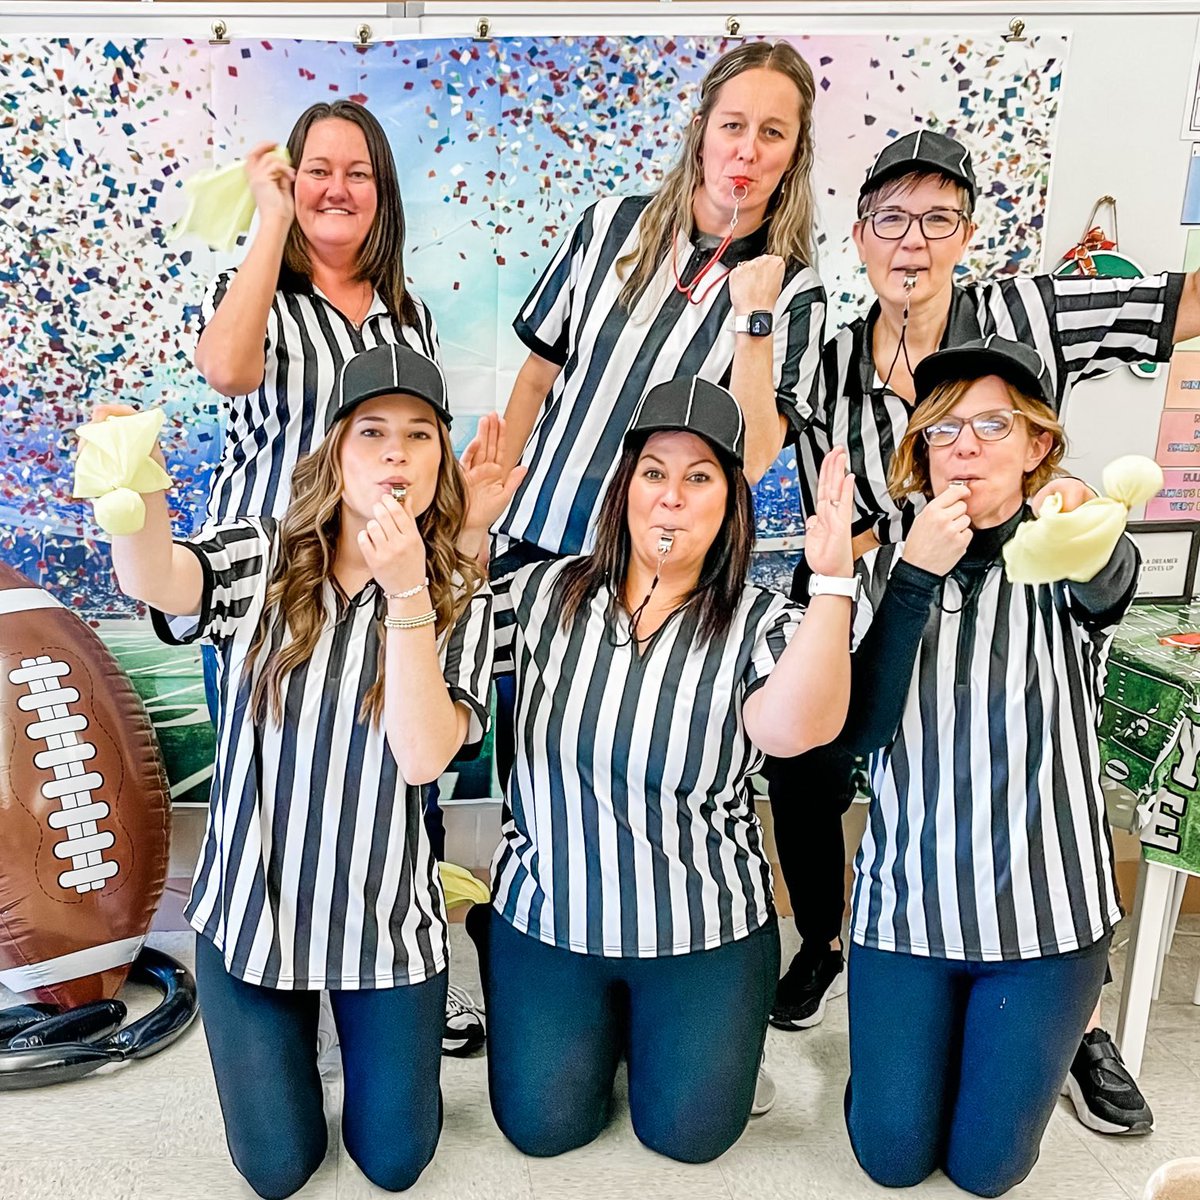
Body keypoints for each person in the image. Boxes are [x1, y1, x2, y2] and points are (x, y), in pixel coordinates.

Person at [772, 128, 1195, 1133]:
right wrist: (865, 568)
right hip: (889, 571)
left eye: (937, 219)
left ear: (967, 232)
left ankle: (1067, 1017)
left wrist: (1063, 518)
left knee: (1027, 770)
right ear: (861, 237)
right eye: (890, 220)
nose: (911, 242)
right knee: (807, 750)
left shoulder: (1028, 308)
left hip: (1026, 561)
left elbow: (1174, 307)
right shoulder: (828, 360)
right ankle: (833, 944)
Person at [97, 344, 493, 1198]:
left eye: (419, 436)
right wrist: (137, 490)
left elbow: (425, 755)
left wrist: (408, 596)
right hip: (252, 913)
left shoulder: (462, 591)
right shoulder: (264, 557)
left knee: (394, 1163)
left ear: (439, 463)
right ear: (337, 453)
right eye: (373, 432)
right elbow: (160, 579)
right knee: (276, 1171)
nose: (395, 452)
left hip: (386, 926)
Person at [479, 377, 857, 1163]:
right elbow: (443, 654)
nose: (672, 497)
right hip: (552, 917)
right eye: (654, 473)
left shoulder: (760, 621)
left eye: (699, 478)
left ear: (728, 503)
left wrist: (832, 586)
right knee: (544, 1130)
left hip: (703, 926)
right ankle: (579, 1007)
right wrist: (465, 537)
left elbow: (796, 731)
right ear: (625, 490)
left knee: (689, 1138)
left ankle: (671, 1032)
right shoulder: (548, 592)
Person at [191, 99, 483, 1054]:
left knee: (404, 784)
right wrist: (269, 220)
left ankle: (401, 972)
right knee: (274, 783)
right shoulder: (262, 289)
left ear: (381, 193)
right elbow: (228, 372)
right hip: (270, 582)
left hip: (387, 578)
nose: (338, 188)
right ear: (292, 178)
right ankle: (277, 981)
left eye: (358, 172)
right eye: (319, 168)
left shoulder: (411, 310)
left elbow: (421, 448)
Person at [838, 337, 1139, 1195]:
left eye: (992, 424)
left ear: (1039, 444)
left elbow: (1108, 583)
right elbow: (858, 732)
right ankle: (916, 1058)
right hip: (908, 907)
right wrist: (912, 581)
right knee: (890, 1159)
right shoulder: (883, 561)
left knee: (987, 1173)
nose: (964, 445)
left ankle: (1051, 1049)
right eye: (942, 429)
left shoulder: (1067, 542)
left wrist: (1081, 519)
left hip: (1045, 917)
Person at [488, 39, 828, 789]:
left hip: (660, 571)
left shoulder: (795, 293)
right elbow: (536, 376)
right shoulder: (610, 226)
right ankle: (522, 901)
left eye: (773, 132)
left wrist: (756, 318)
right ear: (702, 127)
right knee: (525, 754)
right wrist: (486, 505)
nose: (748, 148)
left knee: (619, 763)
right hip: (538, 542)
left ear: (794, 153)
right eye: (734, 124)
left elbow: (760, 450)